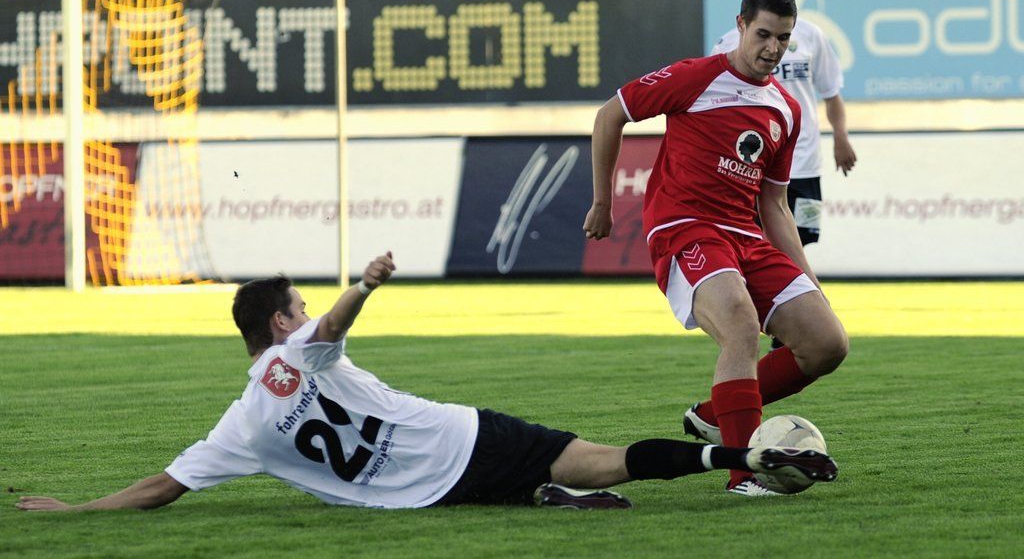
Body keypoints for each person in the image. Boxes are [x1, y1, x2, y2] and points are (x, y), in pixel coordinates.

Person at [15, 252, 837, 512]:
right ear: (279, 323)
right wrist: (362, 285)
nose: (308, 312)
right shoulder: (297, 352)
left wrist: (77, 509)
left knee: (561, 478)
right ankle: (743, 457)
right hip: (462, 437)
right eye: (298, 304)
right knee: (607, 457)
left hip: (425, 496)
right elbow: (328, 330)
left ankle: (546, 497)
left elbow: (164, 483)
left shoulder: (242, 424)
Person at [583, 0, 849, 497]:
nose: (773, 48)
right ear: (741, 25)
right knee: (741, 328)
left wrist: (809, 281)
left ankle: (711, 416)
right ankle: (743, 474)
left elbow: (774, 207)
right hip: (686, 228)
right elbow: (610, 114)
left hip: (746, 237)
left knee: (827, 343)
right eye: (764, 34)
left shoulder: (787, 111)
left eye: (784, 38)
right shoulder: (696, 77)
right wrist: (602, 202)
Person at [710, 0, 855, 269]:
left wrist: (841, 137)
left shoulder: (811, 35)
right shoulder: (726, 45)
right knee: (754, 246)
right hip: (753, 167)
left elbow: (831, 93)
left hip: (804, 164)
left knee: (799, 245)